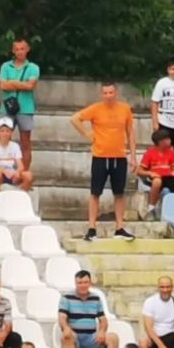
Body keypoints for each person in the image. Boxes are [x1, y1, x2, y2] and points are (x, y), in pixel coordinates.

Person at [70, 81, 136, 241]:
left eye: (110, 92)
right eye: (105, 93)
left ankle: (119, 227)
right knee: (95, 192)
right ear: (102, 94)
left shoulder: (124, 109)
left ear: (116, 93)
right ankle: (92, 227)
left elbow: (130, 132)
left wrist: (133, 155)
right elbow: (75, 119)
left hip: (119, 156)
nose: (108, 96)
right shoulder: (96, 108)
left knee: (119, 192)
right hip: (100, 155)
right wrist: (87, 134)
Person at [0, 37, 40, 171]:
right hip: (7, 108)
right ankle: (2, 171)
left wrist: (13, 83)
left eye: (22, 49)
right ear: (13, 51)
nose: (19, 52)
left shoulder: (33, 67)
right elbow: (3, 85)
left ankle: (24, 173)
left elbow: (30, 85)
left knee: (25, 143)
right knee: (2, 140)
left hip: (25, 109)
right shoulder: (5, 66)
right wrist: (21, 84)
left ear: (27, 50)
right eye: (16, 49)